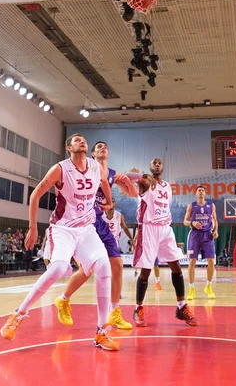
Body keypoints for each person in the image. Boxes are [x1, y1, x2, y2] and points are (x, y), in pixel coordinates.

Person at [0, 133, 119, 351]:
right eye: (76, 140)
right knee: (59, 268)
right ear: (68, 148)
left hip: (86, 230)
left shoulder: (95, 166)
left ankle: (102, 332)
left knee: (103, 266)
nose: (82, 141)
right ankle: (18, 314)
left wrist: (109, 202)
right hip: (63, 229)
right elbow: (35, 195)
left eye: (84, 139)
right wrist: (33, 227)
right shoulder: (60, 169)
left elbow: (104, 182)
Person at [55, 141, 137, 331]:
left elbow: (133, 193)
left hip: (100, 222)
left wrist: (126, 179)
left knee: (116, 265)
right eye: (99, 146)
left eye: (105, 147)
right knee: (87, 270)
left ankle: (114, 312)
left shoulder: (112, 174)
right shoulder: (86, 169)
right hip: (83, 223)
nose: (103, 148)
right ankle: (63, 299)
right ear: (92, 153)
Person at [130, 158, 197, 327]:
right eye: (154, 163)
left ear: (163, 166)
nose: (157, 164)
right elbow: (125, 177)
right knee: (146, 270)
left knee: (176, 266)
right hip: (149, 228)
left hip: (165, 228)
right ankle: (138, 308)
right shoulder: (145, 182)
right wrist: (142, 175)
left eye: (159, 163)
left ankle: (181, 307)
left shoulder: (167, 186)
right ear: (150, 167)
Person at [183, 185, 218, 300]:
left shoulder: (211, 205)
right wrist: (192, 223)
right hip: (195, 235)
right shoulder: (191, 206)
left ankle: (208, 286)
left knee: (211, 262)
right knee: (192, 261)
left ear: (205, 193)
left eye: (203, 190)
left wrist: (216, 231)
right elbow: (185, 221)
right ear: (196, 193)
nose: (201, 192)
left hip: (207, 234)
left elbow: (215, 220)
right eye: (199, 190)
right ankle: (191, 289)